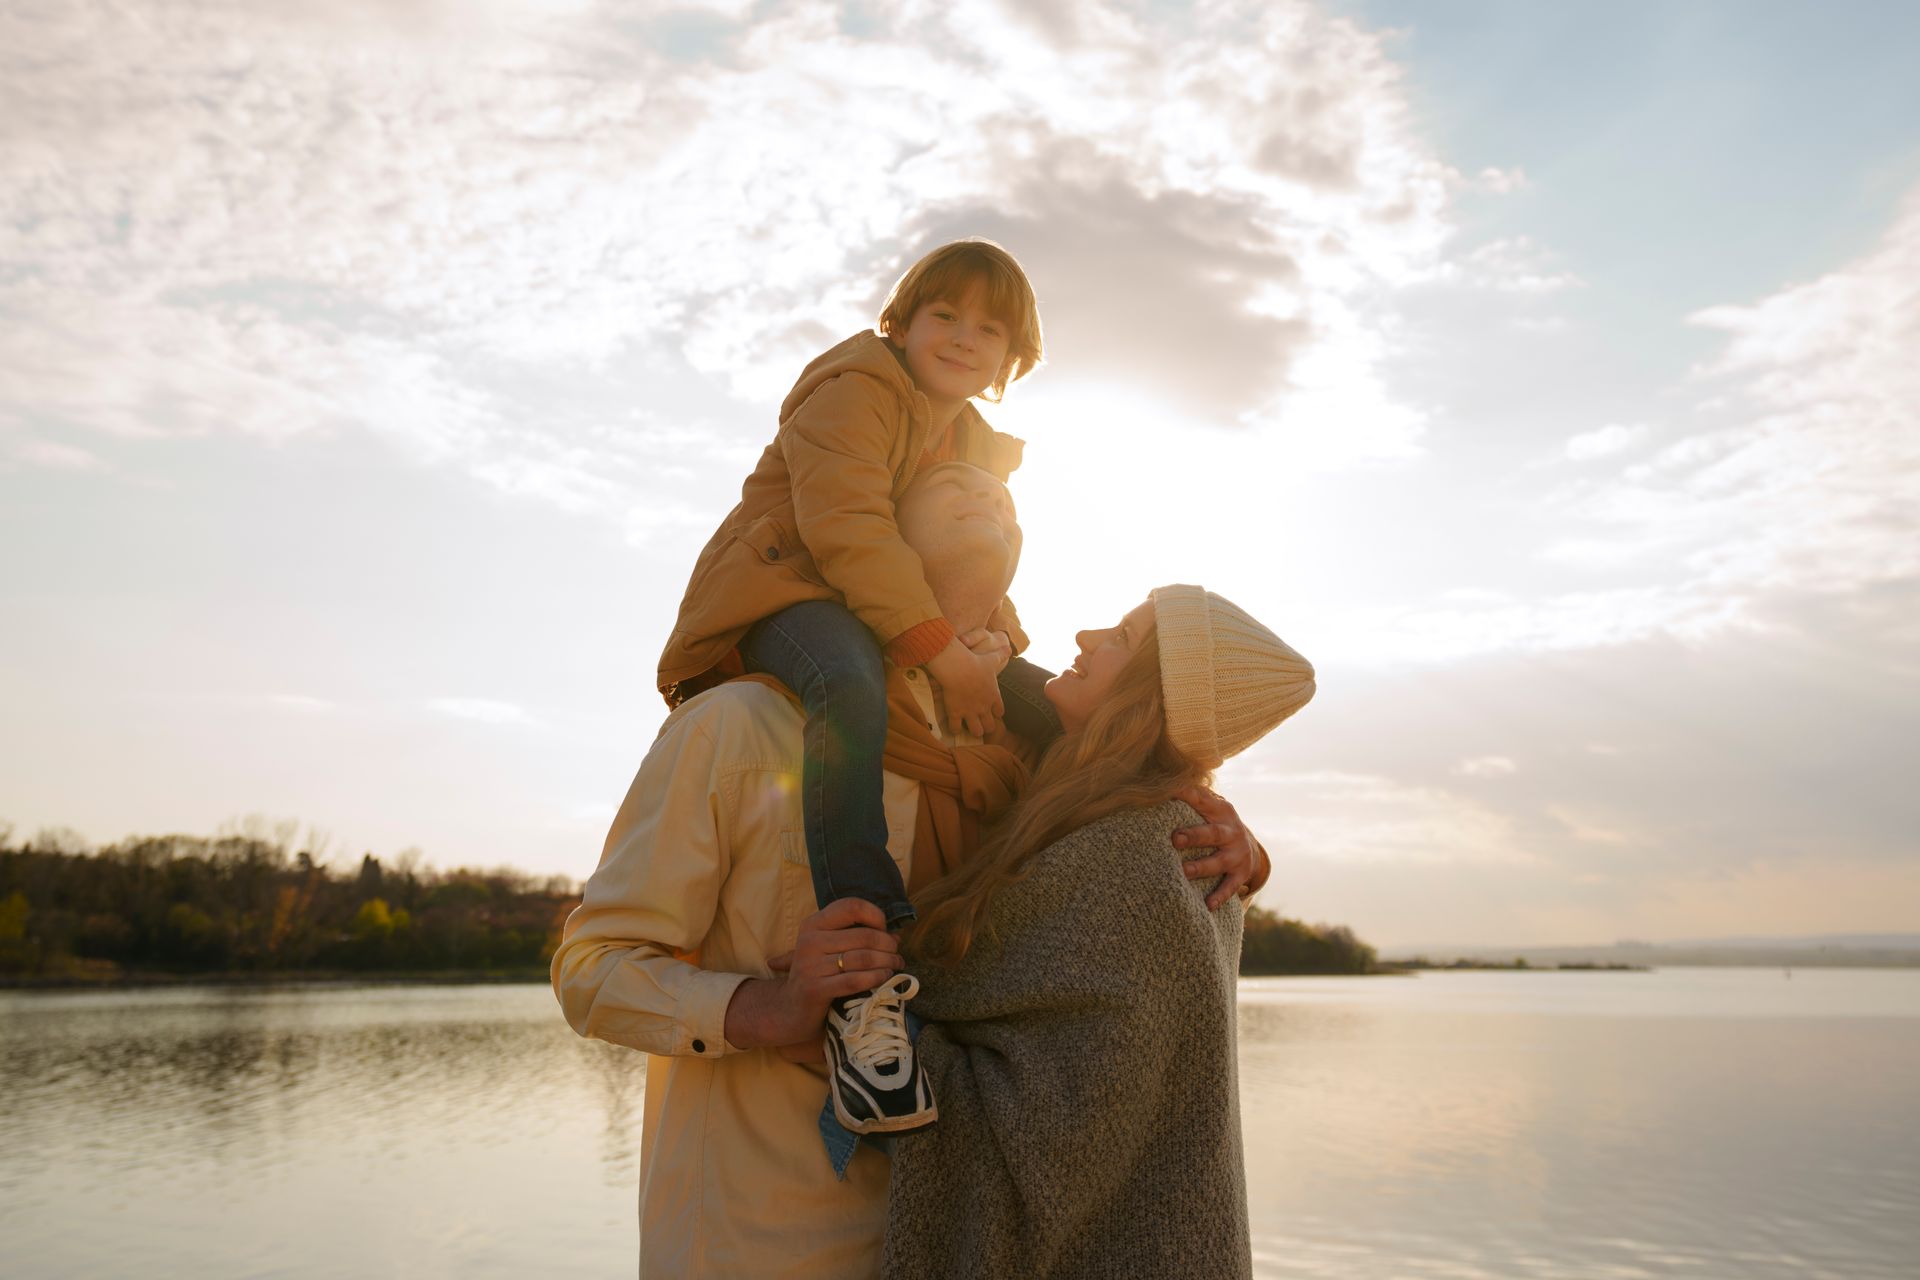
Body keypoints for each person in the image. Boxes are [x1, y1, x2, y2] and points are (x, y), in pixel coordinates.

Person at [553, 464, 1270, 1278]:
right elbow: (590, 968)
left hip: (941, 1247)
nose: (981, 493)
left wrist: (1242, 852)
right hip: (756, 1236)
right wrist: (764, 1007)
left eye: (1000, 497)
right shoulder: (737, 730)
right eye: (947, 483)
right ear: (879, 540)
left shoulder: (1029, 770)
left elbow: (1127, 894)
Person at [655, 240, 1053, 1135]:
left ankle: (1171, 819)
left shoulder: (971, 443)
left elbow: (973, 555)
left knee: (1040, 698)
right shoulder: (856, 386)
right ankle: (866, 960)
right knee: (845, 680)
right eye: (944, 314)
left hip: (886, 607)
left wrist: (993, 644)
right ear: (902, 321)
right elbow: (849, 529)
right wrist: (942, 652)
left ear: (1011, 359)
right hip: (786, 591)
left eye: (988, 329)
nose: (962, 338)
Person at [881, 585, 1316, 1280]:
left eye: (1120, 636)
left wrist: (857, 992)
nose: (1083, 636)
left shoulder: (1134, 852)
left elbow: (1058, 1126)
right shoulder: (1140, 826)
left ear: (1154, 698)